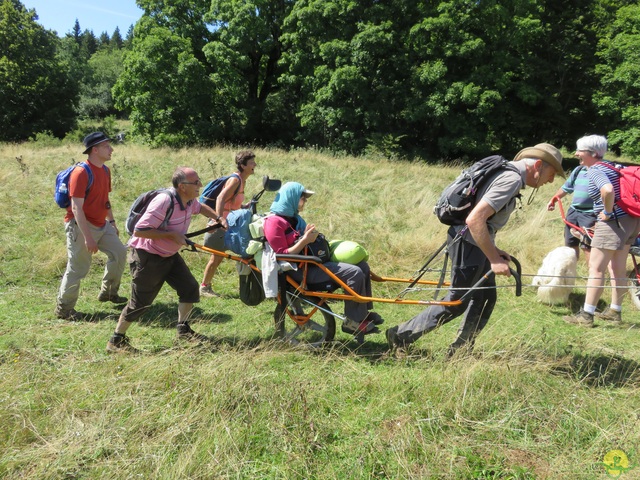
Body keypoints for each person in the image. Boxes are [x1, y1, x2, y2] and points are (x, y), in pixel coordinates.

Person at [386, 143, 565, 357]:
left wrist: (494, 250)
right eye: (552, 173)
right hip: (468, 243)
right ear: (537, 165)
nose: (551, 181)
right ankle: (400, 335)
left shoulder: (505, 172)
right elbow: (475, 219)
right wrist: (494, 260)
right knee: (457, 300)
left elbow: (481, 219)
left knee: (485, 296)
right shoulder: (511, 179)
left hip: (471, 242)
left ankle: (461, 350)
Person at [106, 167, 224, 353]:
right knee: (140, 303)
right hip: (148, 256)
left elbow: (200, 207)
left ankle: (183, 330)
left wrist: (217, 217)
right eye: (196, 182)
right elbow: (140, 230)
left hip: (169, 254)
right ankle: (116, 341)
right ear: (182, 186)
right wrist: (171, 235)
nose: (200, 185)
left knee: (189, 287)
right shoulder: (164, 202)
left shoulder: (189, 200)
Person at [262, 182, 384, 335]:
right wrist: (305, 240)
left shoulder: (295, 219)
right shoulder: (273, 223)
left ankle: (363, 313)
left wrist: (308, 237)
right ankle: (353, 322)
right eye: (303, 197)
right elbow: (282, 254)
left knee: (363, 266)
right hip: (299, 271)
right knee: (354, 273)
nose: (305, 201)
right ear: (292, 198)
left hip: (311, 264)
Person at [563, 135, 640, 327]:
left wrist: (606, 212)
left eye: (580, 150)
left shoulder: (596, 169)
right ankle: (615, 311)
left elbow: (607, 190)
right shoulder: (615, 167)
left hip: (613, 223)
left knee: (596, 269)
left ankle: (586, 315)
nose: (576, 154)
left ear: (592, 153)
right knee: (618, 269)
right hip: (632, 221)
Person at [55, 132, 127, 321]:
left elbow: (105, 199)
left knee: (119, 253)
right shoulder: (81, 173)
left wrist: (111, 222)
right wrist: (88, 237)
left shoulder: (105, 170)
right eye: (107, 146)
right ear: (94, 150)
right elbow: (76, 208)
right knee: (78, 268)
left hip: (101, 224)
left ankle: (109, 293)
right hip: (80, 225)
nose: (111, 150)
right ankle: (64, 309)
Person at [200, 151, 257, 297]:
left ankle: (251, 287)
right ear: (243, 165)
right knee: (217, 257)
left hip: (230, 224)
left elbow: (231, 203)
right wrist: (219, 219)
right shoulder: (235, 180)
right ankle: (205, 287)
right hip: (223, 225)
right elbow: (220, 198)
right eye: (251, 163)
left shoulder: (242, 181)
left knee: (222, 256)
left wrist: (243, 206)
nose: (254, 165)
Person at [547, 164, 596, 263]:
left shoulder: (601, 170)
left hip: (590, 214)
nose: (576, 154)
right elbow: (566, 187)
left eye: (581, 151)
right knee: (570, 245)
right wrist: (553, 199)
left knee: (588, 246)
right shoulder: (579, 170)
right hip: (573, 212)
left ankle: (593, 275)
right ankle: (571, 273)